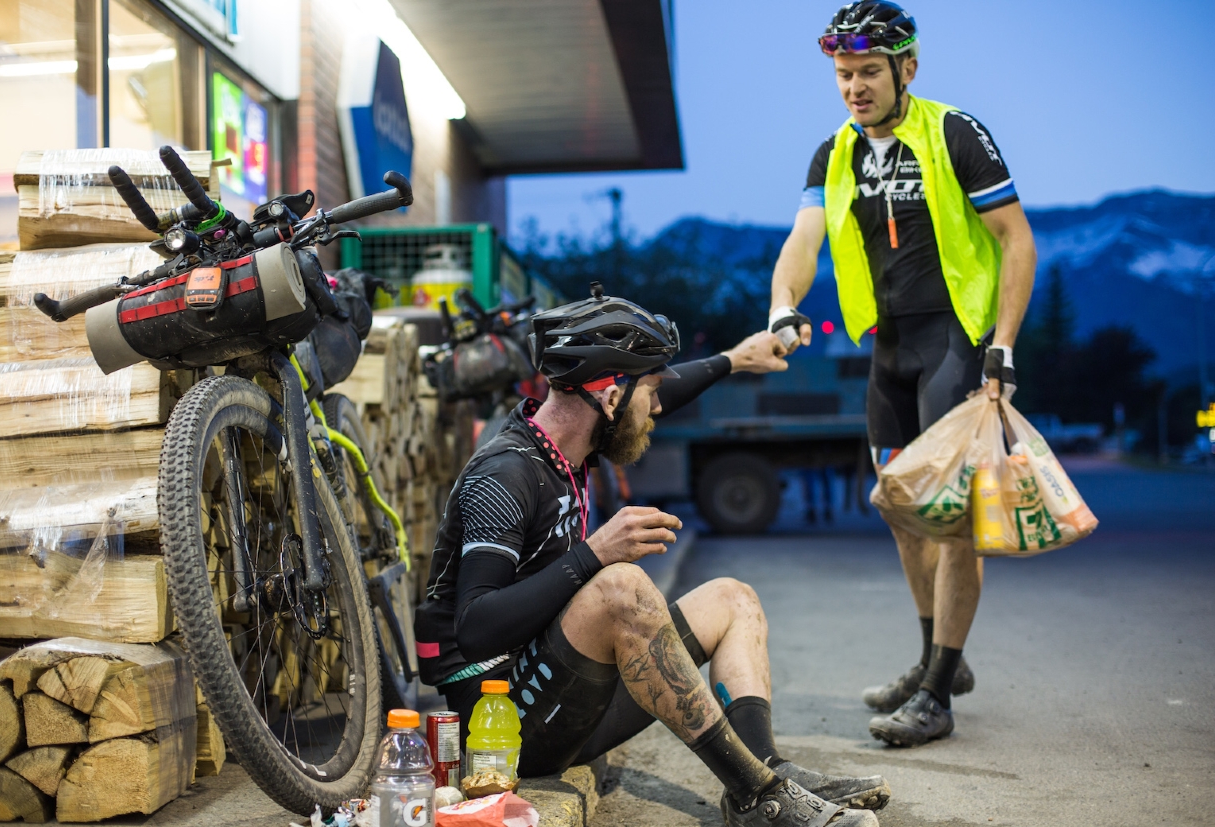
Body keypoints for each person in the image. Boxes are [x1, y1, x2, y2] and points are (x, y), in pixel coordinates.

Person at [415, 286, 889, 827]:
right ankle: (761, 800)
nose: (659, 406)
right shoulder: (504, 476)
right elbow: (475, 627)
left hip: (565, 694)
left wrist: (736, 359)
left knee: (733, 598)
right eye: (650, 392)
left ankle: (762, 774)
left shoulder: (569, 445)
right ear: (611, 399)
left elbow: (668, 386)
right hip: (506, 725)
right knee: (621, 587)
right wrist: (593, 555)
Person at [768, 1, 1036, 747]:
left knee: (952, 522)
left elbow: (1017, 241)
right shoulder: (834, 154)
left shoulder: (955, 132)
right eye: (844, 75)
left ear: (907, 69)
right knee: (900, 507)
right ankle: (935, 661)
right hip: (887, 352)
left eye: (869, 73)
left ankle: (938, 694)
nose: (855, 87)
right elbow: (803, 237)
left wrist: (1002, 344)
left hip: (955, 343)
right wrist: (781, 303)